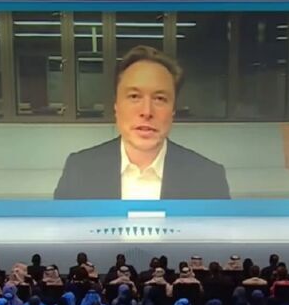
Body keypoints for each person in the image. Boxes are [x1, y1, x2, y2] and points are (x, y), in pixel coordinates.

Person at [54, 45, 230, 200]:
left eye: (160, 99)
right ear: (116, 106)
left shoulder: (209, 178)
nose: (146, 112)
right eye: (134, 96)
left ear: (173, 110)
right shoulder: (78, 170)